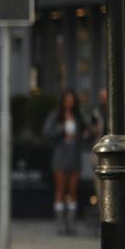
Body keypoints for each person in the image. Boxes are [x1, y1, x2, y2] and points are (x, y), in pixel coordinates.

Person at [43, 89, 89, 236]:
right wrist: (61, 130)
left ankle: (71, 222)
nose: (69, 102)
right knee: (61, 189)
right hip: (60, 156)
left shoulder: (78, 116)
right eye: (67, 99)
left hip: (74, 156)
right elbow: (47, 132)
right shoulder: (56, 116)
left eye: (72, 99)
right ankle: (60, 223)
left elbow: (84, 133)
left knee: (73, 190)